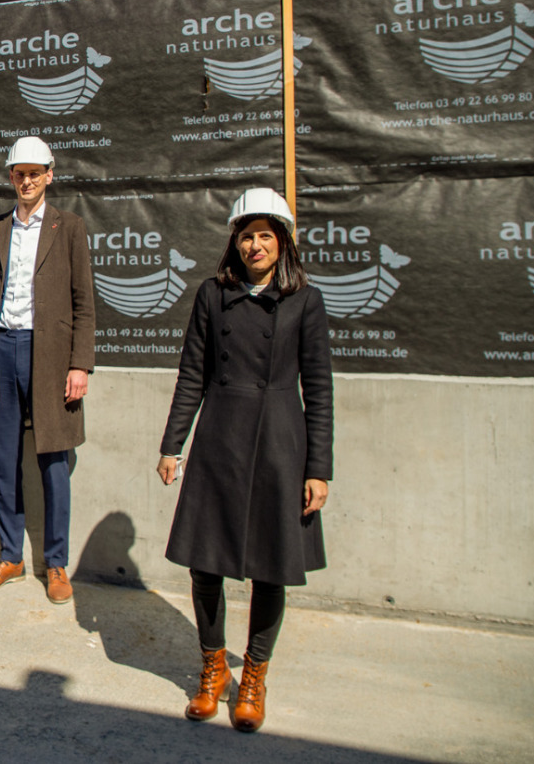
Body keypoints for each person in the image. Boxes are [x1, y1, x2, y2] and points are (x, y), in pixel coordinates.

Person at [156, 187, 333, 733]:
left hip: (281, 440)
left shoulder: (306, 299)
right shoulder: (212, 294)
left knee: (270, 567)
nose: (255, 245)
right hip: (219, 438)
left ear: (282, 242)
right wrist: (172, 444)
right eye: (246, 235)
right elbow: (192, 374)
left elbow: (319, 388)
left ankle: (253, 674)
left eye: (265, 235)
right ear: (234, 240)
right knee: (204, 562)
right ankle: (213, 668)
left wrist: (318, 468)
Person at [0, 136, 95, 604]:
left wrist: (79, 363)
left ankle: (56, 563)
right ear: (10, 177)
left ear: (50, 173)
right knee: (3, 457)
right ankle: (10, 556)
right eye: (18, 173)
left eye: (34, 172)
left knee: (53, 460)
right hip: (1, 348)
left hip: (50, 355)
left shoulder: (71, 227)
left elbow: (84, 300)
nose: (26, 180)